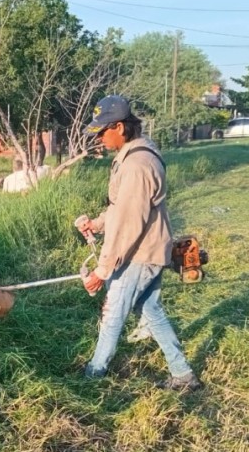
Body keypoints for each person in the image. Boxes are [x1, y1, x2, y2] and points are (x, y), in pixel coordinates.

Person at [75, 95, 201, 391]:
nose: (99, 139)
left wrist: (102, 272)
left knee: (112, 313)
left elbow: (129, 225)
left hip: (139, 254)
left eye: (102, 132)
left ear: (119, 126)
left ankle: (94, 372)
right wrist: (97, 224)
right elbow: (121, 208)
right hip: (147, 249)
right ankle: (183, 374)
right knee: (151, 311)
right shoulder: (133, 156)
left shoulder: (137, 164)